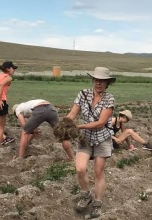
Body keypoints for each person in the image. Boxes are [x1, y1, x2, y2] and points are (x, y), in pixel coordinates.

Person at [66, 67, 116, 218]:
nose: (98, 83)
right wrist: (65, 124)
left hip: (102, 138)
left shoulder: (109, 99)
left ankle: (97, 203)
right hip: (86, 138)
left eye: (102, 81)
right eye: (96, 80)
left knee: (98, 173)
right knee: (80, 169)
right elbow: (73, 113)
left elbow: (101, 123)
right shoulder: (83, 94)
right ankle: (86, 195)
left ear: (107, 83)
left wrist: (78, 127)